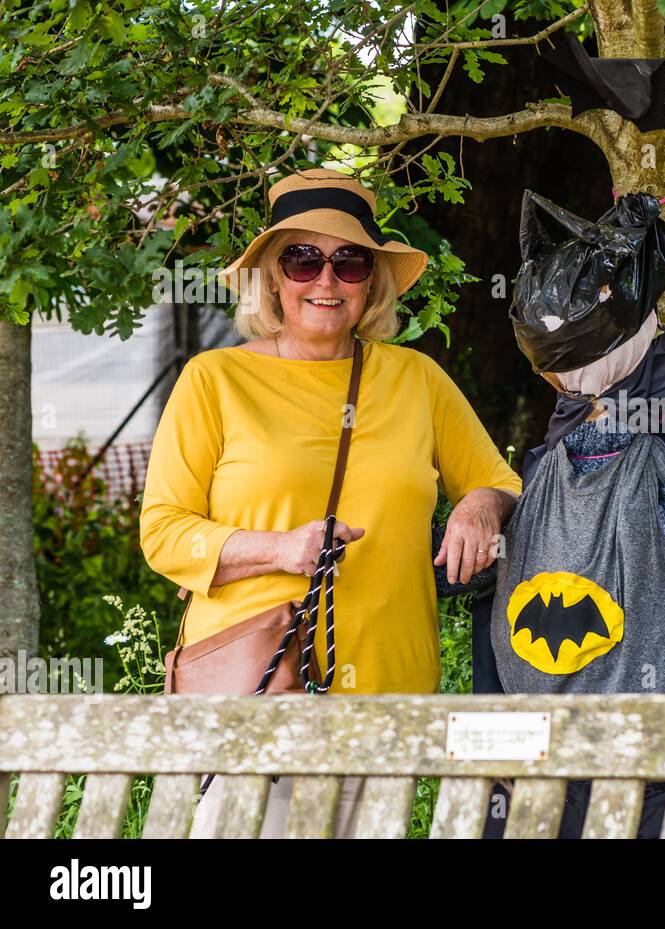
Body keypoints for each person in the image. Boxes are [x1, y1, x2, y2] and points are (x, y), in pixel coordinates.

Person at [139, 168, 521, 837]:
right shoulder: (214, 380)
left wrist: (478, 507)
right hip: (256, 698)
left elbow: (498, 479)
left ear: (371, 280)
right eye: (303, 258)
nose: (325, 279)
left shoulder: (417, 379)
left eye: (348, 262)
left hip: (387, 701)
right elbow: (164, 533)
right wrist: (280, 548)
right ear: (271, 276)